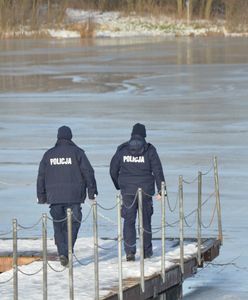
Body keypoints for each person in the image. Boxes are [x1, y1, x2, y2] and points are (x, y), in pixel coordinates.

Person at [37, 126, 98, 266]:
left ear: (58, 137)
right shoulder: (77, 153)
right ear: (70, 137)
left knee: (58, 225)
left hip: (55, 197)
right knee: (74, 223)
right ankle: (67, 250)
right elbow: (88, 172)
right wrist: (92, 192)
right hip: (74, 196)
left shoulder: (48, 154)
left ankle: (63, 252)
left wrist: (41, 196)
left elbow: (41, 176)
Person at [110, 123, 165, 261]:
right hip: (146, 190)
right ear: (144, 134)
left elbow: (112, 169)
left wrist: (119, 185)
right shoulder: (149, 150)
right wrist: (161, 189)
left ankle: (130, 252)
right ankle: (146, 252)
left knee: (128, 221)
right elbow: (157, 170)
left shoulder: (122, 149)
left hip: (127, 191)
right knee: (145, 221)